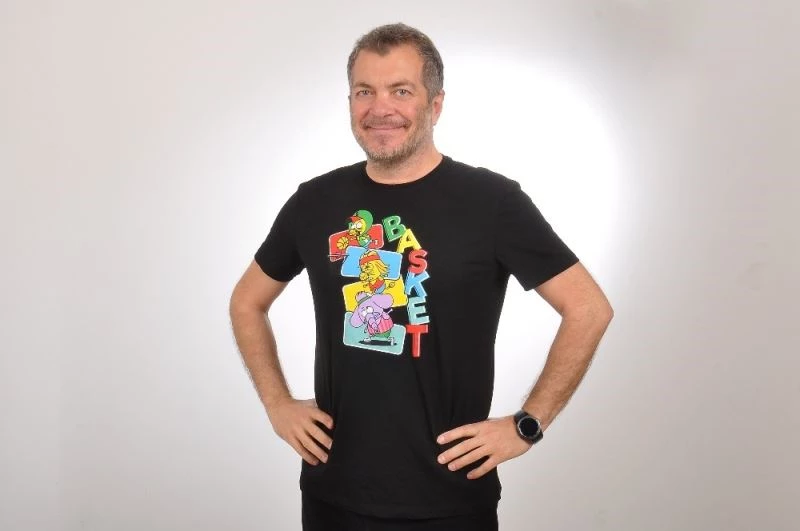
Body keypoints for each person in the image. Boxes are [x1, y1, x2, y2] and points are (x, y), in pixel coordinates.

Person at [229, 22, 613, 531]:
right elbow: (247, 302)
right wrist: (277, 403)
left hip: (449, 499)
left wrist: (527, 425)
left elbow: (588, 308)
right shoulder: (314, 202)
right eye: (364, 91)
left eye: (401, 91)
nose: (380, 108)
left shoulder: (492, 203)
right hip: (332, 493)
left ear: (435, 105)